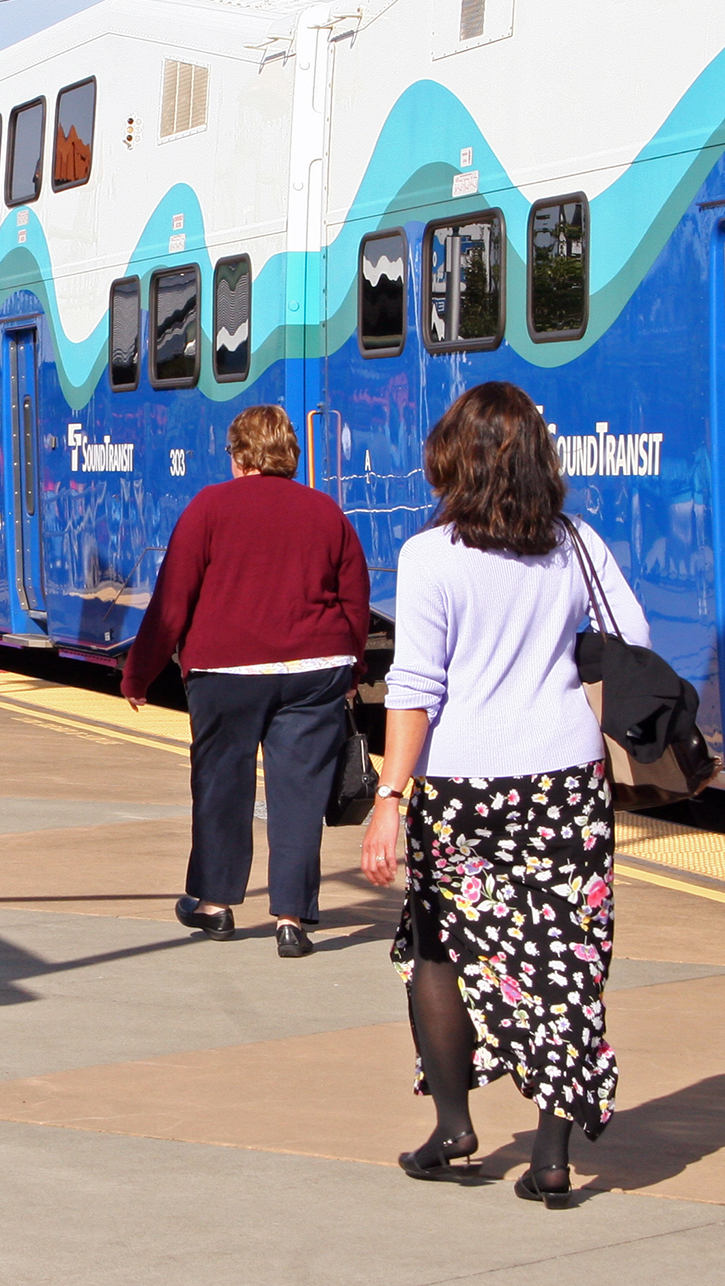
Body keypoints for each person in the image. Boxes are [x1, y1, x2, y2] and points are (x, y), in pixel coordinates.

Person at [359, 382, 642, 1209]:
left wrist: (389, 797)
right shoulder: (575, 543)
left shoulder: (430, 556)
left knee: (439, 951)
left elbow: (414, 687)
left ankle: (454, 1128)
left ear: (454, 457)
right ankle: (552, 1157)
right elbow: (633, 641)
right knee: (563, 955)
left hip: (462, 784)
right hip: (565, 781)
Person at [119, 405, 369, 959]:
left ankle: (214, 904)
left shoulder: (208, 508)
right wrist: (352, 666)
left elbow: (172, 601)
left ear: (238, 455)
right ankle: (290, 917)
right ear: (289, 455)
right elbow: (354, 599)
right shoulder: (326, 512)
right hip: (313, 670)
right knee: (300, 793)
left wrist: (140, 672)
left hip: (225, 674)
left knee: (220, 785)